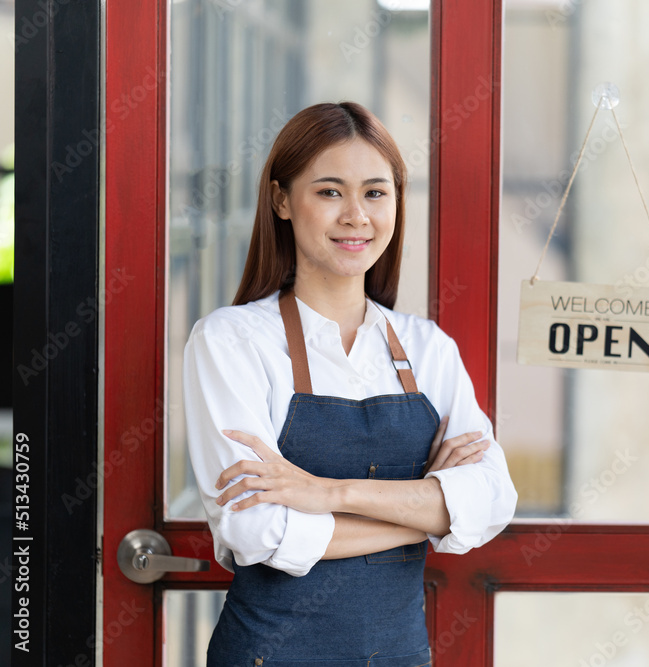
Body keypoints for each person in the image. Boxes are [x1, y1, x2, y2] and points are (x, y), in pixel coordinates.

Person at [183, 101, 518, 667]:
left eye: (376, 192)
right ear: (282, 200)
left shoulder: (429, 347)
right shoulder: (231, 342)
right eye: (330, 191)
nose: (356, 216)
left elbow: (491, 502)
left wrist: (329, 493)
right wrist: (426, 511)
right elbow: (256, 529)